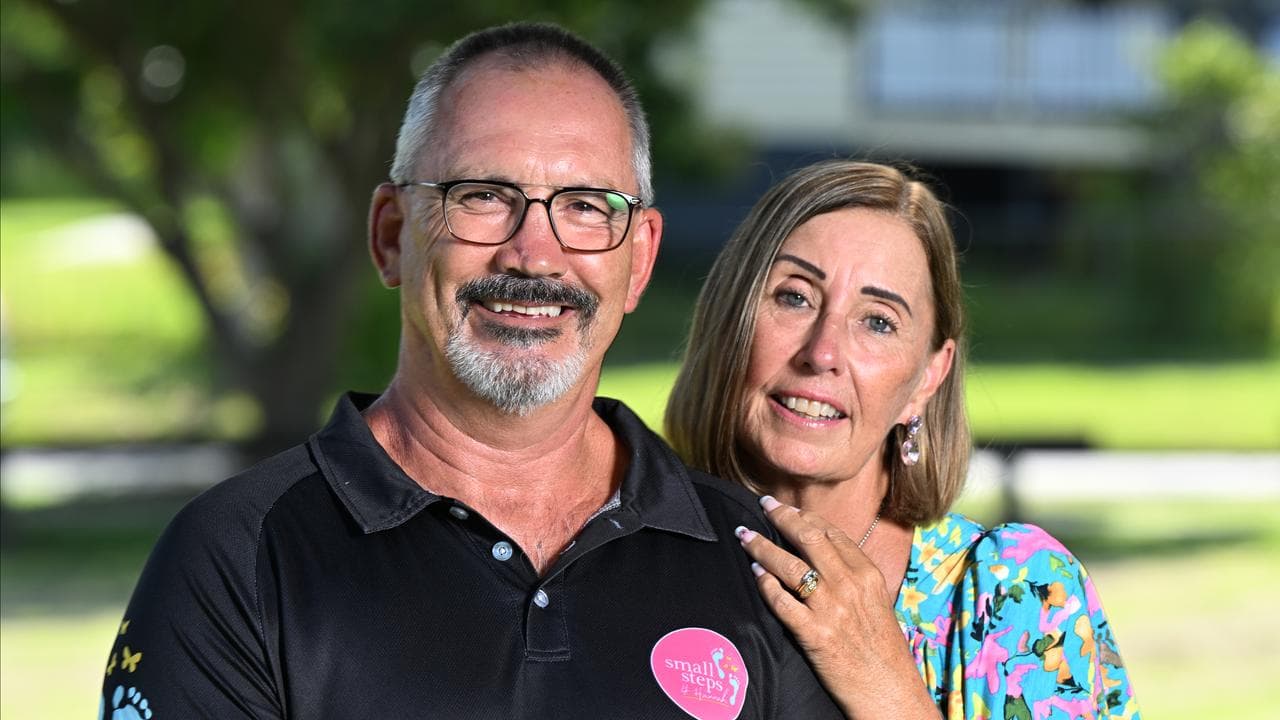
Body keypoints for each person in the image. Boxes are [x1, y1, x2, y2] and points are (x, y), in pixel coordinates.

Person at [100, 23, 844, 719]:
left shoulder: (756, 562)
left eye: (586, 206)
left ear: (640, 258)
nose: (535, 255)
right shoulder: (236, 554)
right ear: (391, 235)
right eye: (483, 196)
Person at [666, 160, 1140, 720]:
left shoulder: (1017, 591)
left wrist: (886, 688)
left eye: (878, 321)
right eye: (795, 297)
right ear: (730, 319)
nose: (822, 353)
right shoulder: (631, 556)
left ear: (926, 379)